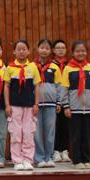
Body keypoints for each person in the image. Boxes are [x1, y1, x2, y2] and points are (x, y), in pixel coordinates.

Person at [60, 41, 90, 169]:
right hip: (74, 109)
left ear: (86, 52)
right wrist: (66, 106)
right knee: (76, 135)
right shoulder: (68, 69)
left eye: (83, 51)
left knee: (87, 135)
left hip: (89, 108)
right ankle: (77, 160)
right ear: (73, 53)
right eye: (77, 51)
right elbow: (64, 89)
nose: (80, 53)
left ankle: (86, 159)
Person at [3, 40, 41, 171]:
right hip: (14, 106)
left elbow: (37, 86)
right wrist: (7, 105)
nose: (21, 52)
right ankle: (17, 160)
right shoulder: (10, 67)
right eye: (18, 49)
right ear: (14, 52)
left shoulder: (33, 67)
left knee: (28, 133)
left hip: (29, 106)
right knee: (16, 133)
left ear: (28, 51)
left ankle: (27, 159)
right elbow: (6, 86)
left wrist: (36, 104)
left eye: (24, 49)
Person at [34, 39, 61, 168]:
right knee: (37, 133)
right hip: (36, 105)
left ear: (50, 51)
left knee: (50, 132)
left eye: (47, 48)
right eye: (42, 48)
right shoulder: (31, 66)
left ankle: (49, 157)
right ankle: (39, 158)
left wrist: (59, 102)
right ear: (37, 49)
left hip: (51, 104)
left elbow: (59, 86)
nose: (44, 50)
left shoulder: (55, 67)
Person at [52, 39, 71, 163]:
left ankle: (65, 150)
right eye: (58, 48)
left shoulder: (70, 65)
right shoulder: (50, 65)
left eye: (62, 48)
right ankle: (55, 151)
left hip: (68, 100)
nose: (60, 50)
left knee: (66, 126)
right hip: (54, 100)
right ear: (53, 50)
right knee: (55, 126)